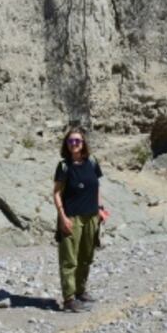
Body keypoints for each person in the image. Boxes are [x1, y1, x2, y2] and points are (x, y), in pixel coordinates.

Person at [53, 126, 108, 312]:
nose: (74, 144)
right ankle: (68, 299)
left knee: (86, 256)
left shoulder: (92, 162)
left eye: (77, 141)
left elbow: (96, 186)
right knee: (69, 259)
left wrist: (100, 208)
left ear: (83, 143)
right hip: (71, 217)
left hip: (91, 216)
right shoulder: (64, 166)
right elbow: (57, 193)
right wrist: (62, 217)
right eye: (71, 141)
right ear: (66, 144)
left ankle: (80, 291)